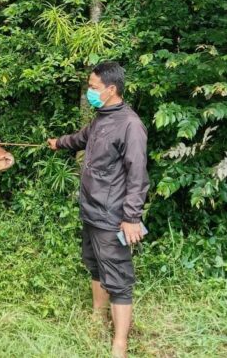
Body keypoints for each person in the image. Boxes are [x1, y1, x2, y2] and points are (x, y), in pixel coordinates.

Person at [47, 61, 149, 358]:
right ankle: (97, 317)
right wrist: (57, 143)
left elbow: (138, 174)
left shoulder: (130, 125)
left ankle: (120, 344)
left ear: (111, 89)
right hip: (90, 210)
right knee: (94, 265)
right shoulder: (100, 118)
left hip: (112, 216)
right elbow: (79, 139)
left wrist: (131, 217)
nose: (90, 92)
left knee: (118, 278)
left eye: (93, 88)